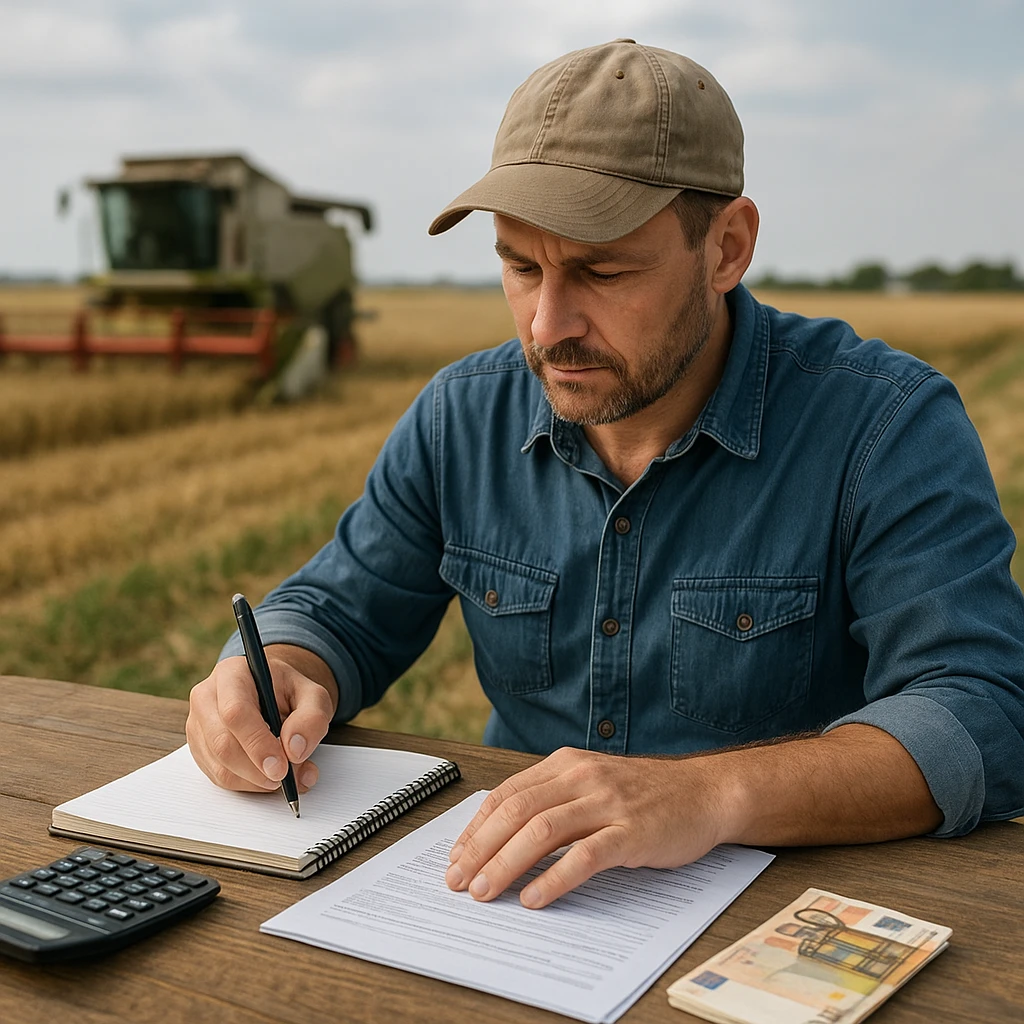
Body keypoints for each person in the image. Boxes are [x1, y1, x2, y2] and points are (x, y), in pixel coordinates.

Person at [186, 39, 1024, 910]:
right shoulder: (459, 417)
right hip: (512, 910)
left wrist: (709, 794)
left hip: (777, 922)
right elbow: (337, 612)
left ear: (727, 247)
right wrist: (275, 670)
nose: (548, 325)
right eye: (521, 267)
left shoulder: (884, 426)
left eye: (602, 271)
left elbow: (985, 711)